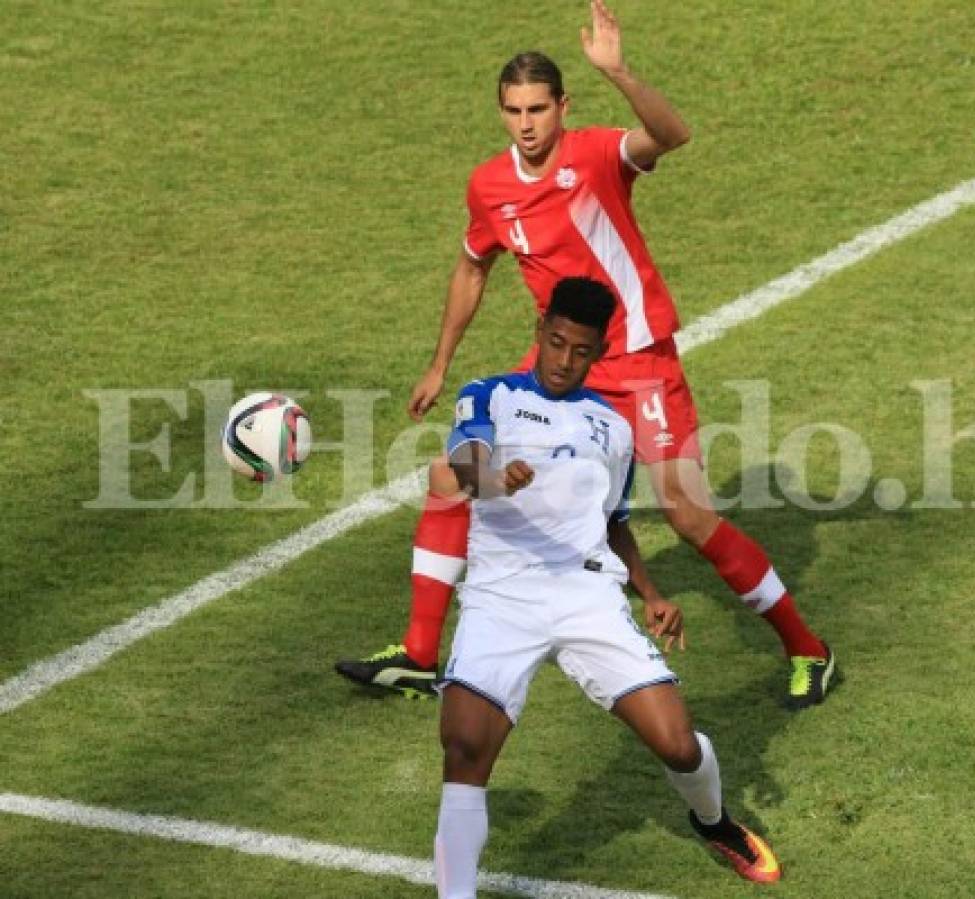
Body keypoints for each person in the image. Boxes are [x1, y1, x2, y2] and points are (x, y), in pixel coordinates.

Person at [336, 0, 836, 708]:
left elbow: (674, 133)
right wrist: (440, 363)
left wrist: (620, 71)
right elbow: (472, 267)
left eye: (539, 108)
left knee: (687, 514)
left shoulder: (597, 152)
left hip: (638, 358)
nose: (527, 123)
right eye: (513, 110)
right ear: (501, 113)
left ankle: (807, 647)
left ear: (562, 106)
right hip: (560, 366)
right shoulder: (490, 187)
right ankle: (420, 652)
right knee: (451, 474)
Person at [433, 277, 781, 894]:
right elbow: (465, 464)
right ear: (540, 332)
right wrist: (496, 481)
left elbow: (612, 520)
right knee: (464, 750)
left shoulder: (611, 427)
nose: (565, 361)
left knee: (677, 746)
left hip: (586, 596)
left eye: (581, 351)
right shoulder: (489, 395)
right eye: (557, 343)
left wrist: (650, 594)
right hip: (501, 596)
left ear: (598, 353)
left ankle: (715, 822)